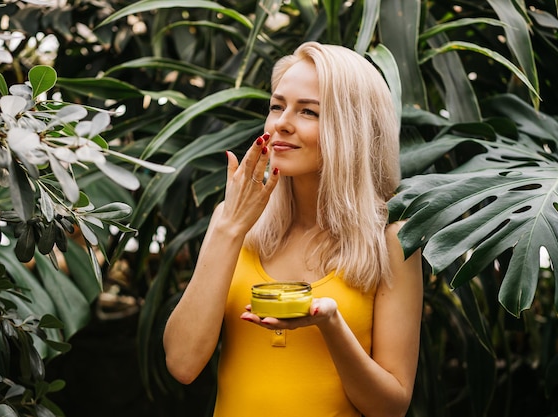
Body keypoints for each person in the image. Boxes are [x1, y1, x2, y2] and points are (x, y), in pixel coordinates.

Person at [162, 41, 423, 417]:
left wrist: (330, 325)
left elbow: (391, 406)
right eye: (277, 106)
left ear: (351, 130)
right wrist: (229, 228)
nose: (281, 122)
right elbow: (182, 364)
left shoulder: (390, 240)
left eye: (308, 112)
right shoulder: (234, 220)